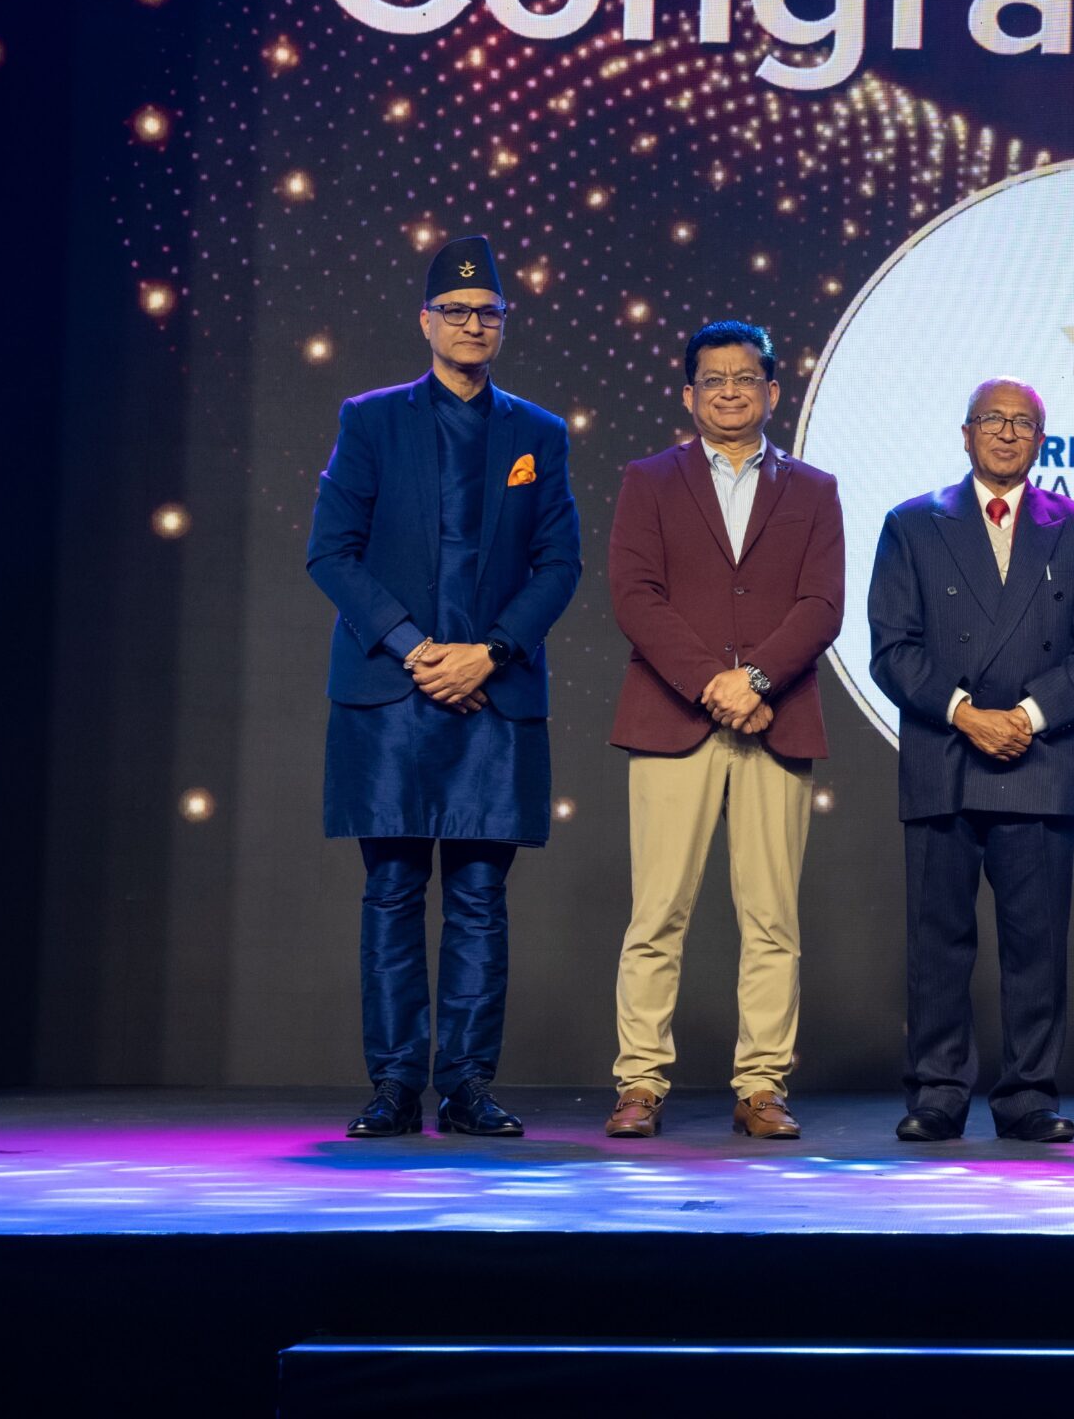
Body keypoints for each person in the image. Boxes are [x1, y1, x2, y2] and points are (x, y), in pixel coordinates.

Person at [306, 235, 581, 1138]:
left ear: (505, 323)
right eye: (456, 311)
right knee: (391, 889)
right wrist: (419, 649)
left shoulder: (538, 433)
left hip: (493, 696)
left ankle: (465, 1084)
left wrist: (487, 653)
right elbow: (331, 553)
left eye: (487, 313)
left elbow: (559, 564)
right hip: (392, 694)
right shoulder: (370, 421)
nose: (472, 324)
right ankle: (394, 1083)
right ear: (426, 321)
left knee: (478, 897)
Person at [602, 321, 845, 1140]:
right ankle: (640, 1080)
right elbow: (635, 595)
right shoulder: (649, 479)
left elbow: (823, 604)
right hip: (673, 716)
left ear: (772, 391)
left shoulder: (814, 489)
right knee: (657, 914)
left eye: (746, 378)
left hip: (778, 718)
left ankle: (763, 1084)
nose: (730, 391)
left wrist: (758, 679)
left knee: (772, 918)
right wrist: (716, 683)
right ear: (689, 394)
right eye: (714, 379)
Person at [867, 378, 1074, 1143]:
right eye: (992, 420)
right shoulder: (912, 523)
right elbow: (892, 648)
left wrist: (1027, 716)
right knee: (938, 940)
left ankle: (1029, 1093)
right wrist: (967, 714)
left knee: (1036, 943)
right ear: (966, 432)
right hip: (945, 751)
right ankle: (939, 1089)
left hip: (1043, 757)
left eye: (1022, 422)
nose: (1007, 432)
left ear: (1041, 439)